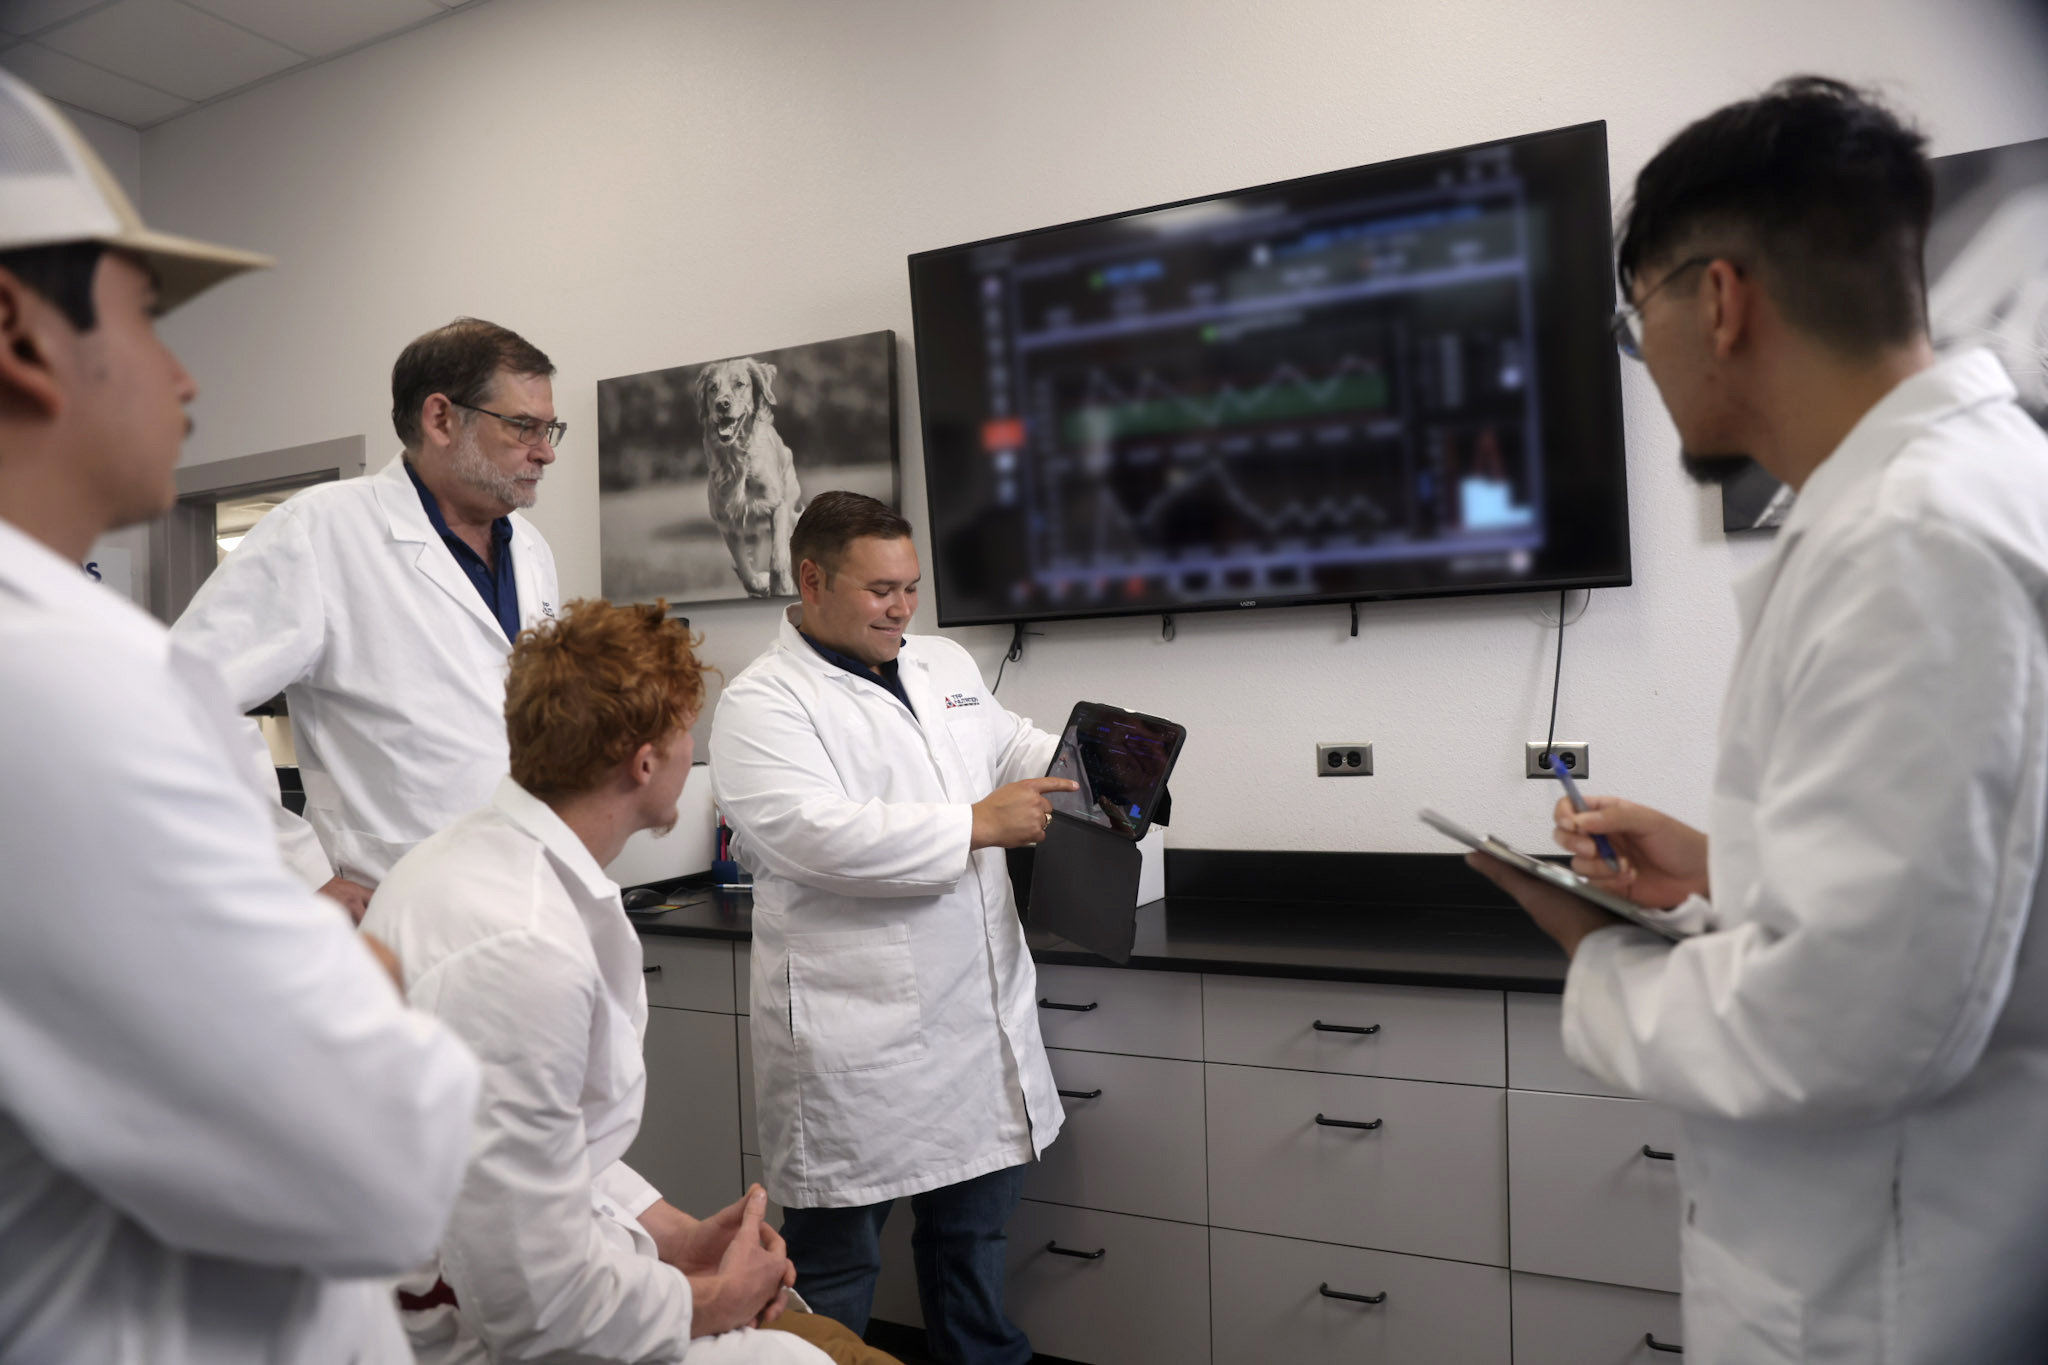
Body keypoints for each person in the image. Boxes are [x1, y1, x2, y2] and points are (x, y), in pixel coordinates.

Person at [1468, 76, 2048, 1363]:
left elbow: (1845, 1024)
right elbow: (1988, 883)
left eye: (1635, 323)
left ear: (1715, 300)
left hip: (1885, 1290)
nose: (1646, 360)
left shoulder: (1917, 540)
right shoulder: (1960, 495)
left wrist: (1599, 955)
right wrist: (1726, 867)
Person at [0, 69, 481, 1362]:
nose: (185, 374)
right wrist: (345, 948)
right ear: (19, 328)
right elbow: (368, 1162)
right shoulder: (60, 684)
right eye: (146, 318)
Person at [361, 598, 892, 1365]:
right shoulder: (518, 945)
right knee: (817, 1356)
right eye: (685, 733)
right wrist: (719, 1299)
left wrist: (674, 1233)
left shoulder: (476, 860)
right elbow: (532, 1306)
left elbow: (542, 1152)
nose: (690, 751)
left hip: (556, 1277)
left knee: (827, 1343)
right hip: (490, 1339)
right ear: (645, 762)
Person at [710, 492, 1079, 1365]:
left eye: (911, 587)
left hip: (974, 1020)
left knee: (974, 1244)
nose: (903, 608)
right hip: (857, 1036)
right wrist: (976, 826)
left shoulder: (942, 661)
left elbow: (1012, 745)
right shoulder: (763, 702)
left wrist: (1101, 757)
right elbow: (807, 833)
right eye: (881, 590)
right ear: (812, 578)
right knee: (836, 1264)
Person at [171, 316, 564, 920]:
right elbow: (177, 701)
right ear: (440, 419)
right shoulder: (321, 530)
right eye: (524, 427)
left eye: (550, 428)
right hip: (391, 906)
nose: (546, 451)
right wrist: (295, 871)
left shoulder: (529, 549)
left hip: (528, 894)